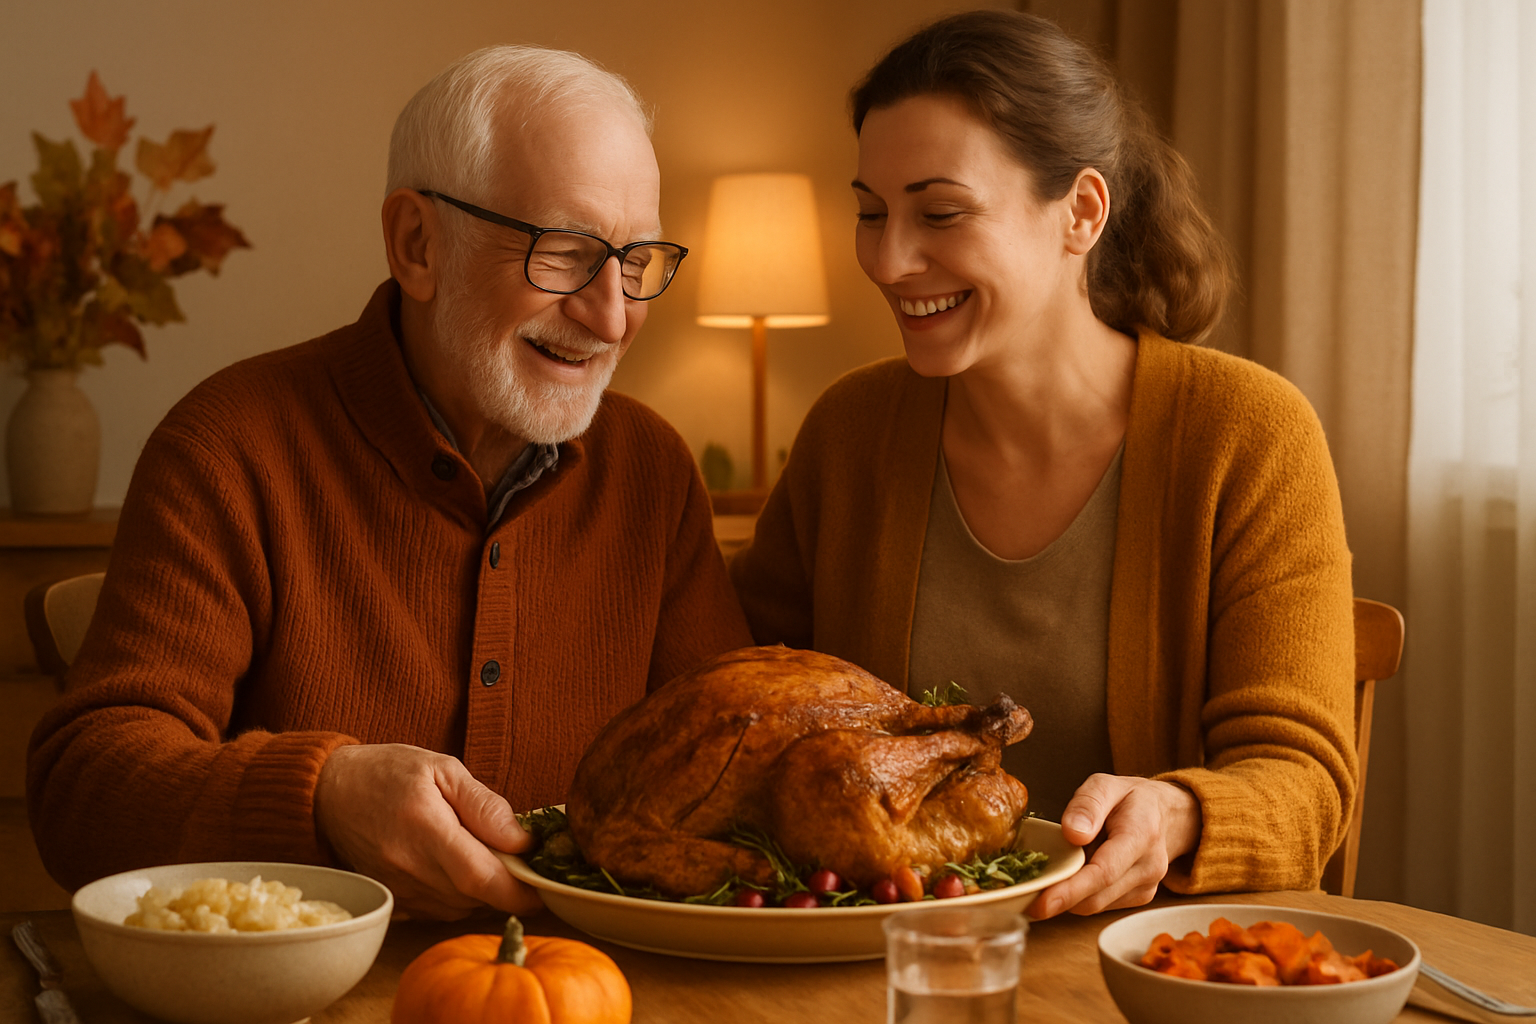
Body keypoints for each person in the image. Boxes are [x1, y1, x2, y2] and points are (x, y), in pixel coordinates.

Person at [28, 45, 752, 919]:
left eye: (636, 261)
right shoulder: (228, 447)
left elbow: (739, 764)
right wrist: (323, 792)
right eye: (563, 253)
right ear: (418, 245)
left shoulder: (653, 472)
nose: (612, 316)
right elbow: (84, 790)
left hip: (598, 982)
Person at [730, 9, 1357, 919]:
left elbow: (1305, 784)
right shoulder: (851, 431)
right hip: (886, 959)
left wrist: (1179, 812)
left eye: (940, 213)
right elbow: (739, 690)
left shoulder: (1248, 436)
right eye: (871, 212)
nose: (890, 260)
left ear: (1083, 212)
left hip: (1141, 959)